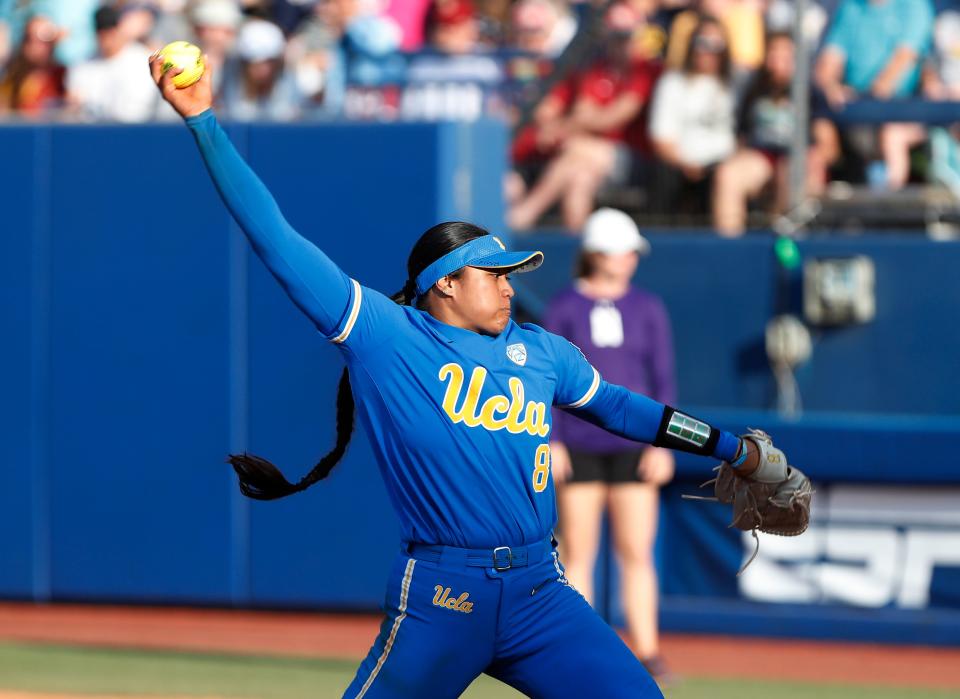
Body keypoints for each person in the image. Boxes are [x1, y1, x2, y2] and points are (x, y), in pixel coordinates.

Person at [149, 52, 798, 699]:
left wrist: (731, 447)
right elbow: (275, 237)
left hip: (542, 594)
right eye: (495, 274)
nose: (510, 286)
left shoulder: (544, 351)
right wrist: (205, 121)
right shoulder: (388, 337)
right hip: (443, 596)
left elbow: (626, 408)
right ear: (446, 285)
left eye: (512, 273)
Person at [543, 208, 676, 679]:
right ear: (597, 254)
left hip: (634, 447)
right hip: (578, 445)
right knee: (578, 552)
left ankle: (647, 649)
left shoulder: (647, 308)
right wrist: (553, 441)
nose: (630, 260)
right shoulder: (563, 307)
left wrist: (661, 444)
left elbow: (663, 380)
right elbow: (549, 379)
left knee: (636, 551)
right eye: (622, 251)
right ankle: (580, 649)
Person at [507, 3, 661, 231]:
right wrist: (577, 124)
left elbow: (616, 115)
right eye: (616, 37)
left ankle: (526, 213)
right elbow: (582, 112)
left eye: (626, 37)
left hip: (632, 159)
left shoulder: (645, 69)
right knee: (580, 180)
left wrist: (562, 128)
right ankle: (575, 249)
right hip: (589, 158)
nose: (621, 44)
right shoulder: (596, 69)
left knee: (577, 148)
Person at [712, 31, 840, 236]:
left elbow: (829, 146)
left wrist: (813, 157)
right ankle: (729, 246)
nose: (778, 61)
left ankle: (784, 241)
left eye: (785, 55)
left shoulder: (811, 92)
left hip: (799, 159)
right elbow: (743, 136)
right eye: (774, 53)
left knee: (790, 172)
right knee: (728, 174)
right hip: (762, 156)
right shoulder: (756, 89)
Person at [813, 0, 935, 190]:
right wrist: (831, 86)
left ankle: (889, 206)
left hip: (904, 110)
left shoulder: (913, 5)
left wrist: (870, 99)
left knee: (892, 136)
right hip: (857, 113)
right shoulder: (851, 8)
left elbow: (905, 57)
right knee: (819, 128)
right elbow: (830, 59)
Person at [648, 14, 735, 218]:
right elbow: (661, 139)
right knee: (663, 176)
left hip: (720, 167)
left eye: (717, 44)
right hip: (678, 167)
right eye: (702, 43)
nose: (709, 51)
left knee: (726, 178)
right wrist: (687, 165)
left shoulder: (735, 84)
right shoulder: (672, 83)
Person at [0, 15, 66, 117]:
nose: (35, 44)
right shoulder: (12, 78)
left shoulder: (63, 77)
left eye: (44, 38)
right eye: (29, 38)